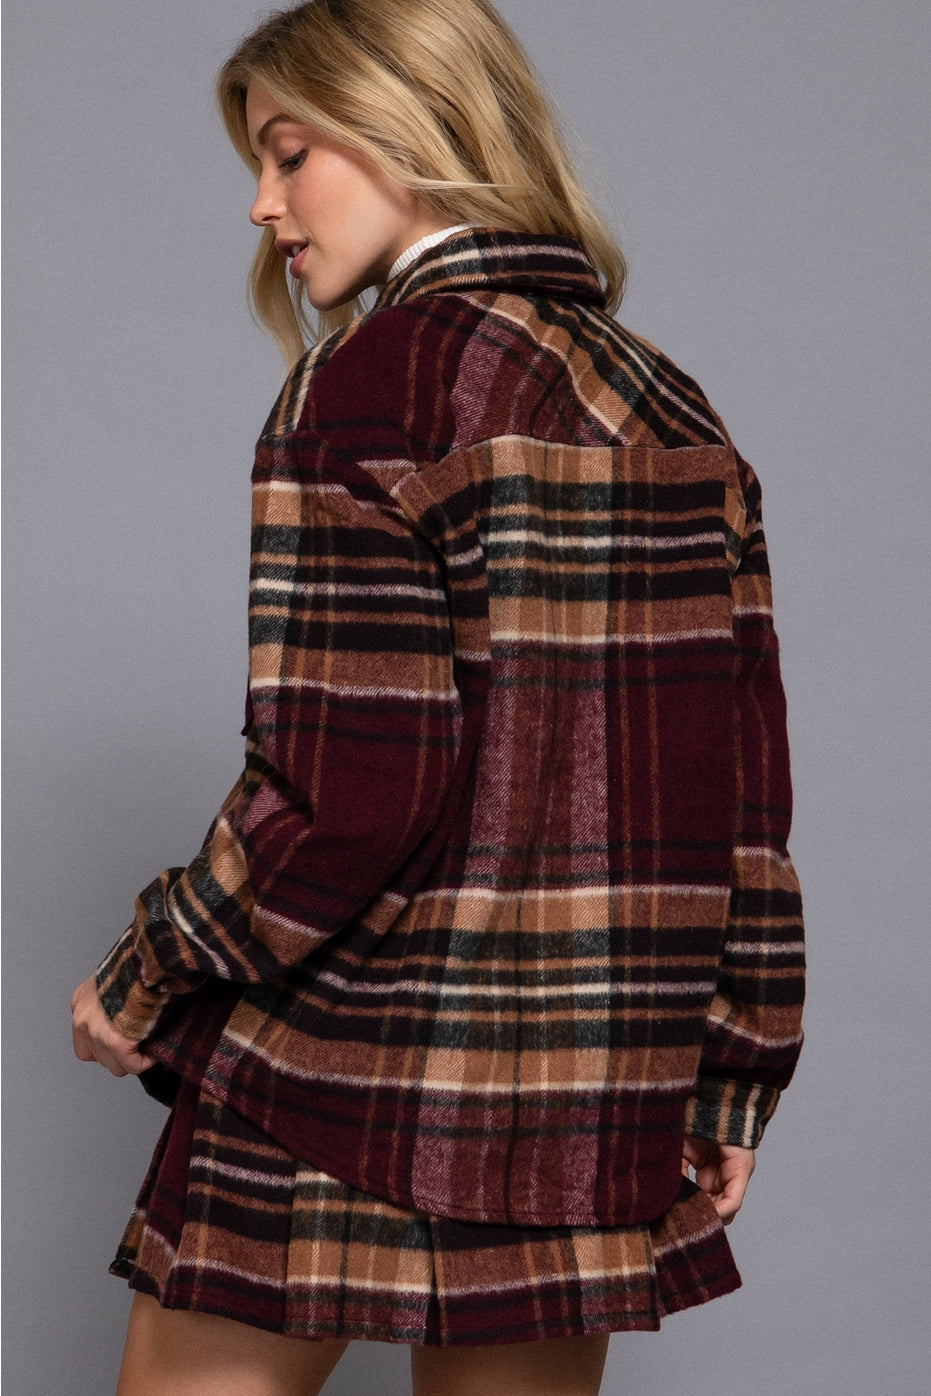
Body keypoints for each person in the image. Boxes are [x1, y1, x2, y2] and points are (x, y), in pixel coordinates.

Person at [70, 2, 805, 1392]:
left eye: (291, 153)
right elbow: (745, 801)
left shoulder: (373, 383)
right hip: (586, 1092)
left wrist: (149, 966)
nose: (262, 204)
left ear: (411, 126)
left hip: (346, 1066)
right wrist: (733, 1069)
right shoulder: (669, 405)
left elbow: (344, 794)